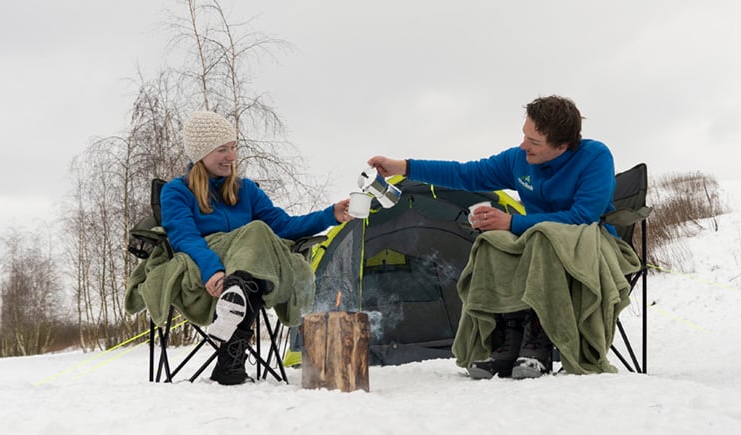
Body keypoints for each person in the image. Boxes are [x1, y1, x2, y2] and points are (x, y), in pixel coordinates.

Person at [368, 95, 634, 379]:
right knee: (493, 242)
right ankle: (506, 343)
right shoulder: (520, 160)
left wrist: (512, 221)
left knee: (542, 237)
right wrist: (403, 167)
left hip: (591, 246)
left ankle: (538, 345)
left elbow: (584, 216)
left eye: (533, 142)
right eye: (524, 136)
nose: (523, 146)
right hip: (536, 243)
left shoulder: (594, 157)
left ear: (562, 146)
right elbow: (465, 173)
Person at [157, 110, 352, 385]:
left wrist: (330, 215)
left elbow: (283, 226)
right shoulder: (176, 192)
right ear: (200, 154)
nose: (232, 156)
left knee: (259, 249)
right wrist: (212, 270)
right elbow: (186, 237)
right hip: (206, 264)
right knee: (258, 235)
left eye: (234, 147)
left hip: (248, 268)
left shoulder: (246, 190)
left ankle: (232, 337)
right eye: (222, 149)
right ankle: (232, 340)